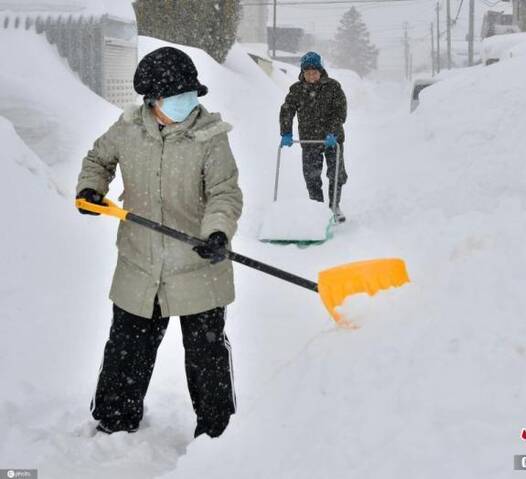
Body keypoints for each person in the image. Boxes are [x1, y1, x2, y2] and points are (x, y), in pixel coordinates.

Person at [75, 47, 243, 439]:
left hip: (197, 263)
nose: (189, 102)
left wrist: (217, 233)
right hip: (140, 262)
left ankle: (218, 434)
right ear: (152, 100)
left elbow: (224, 193)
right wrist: (91, 189)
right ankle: (115, 419)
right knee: (126, 348)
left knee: (207, 356)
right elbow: (97, 160)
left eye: (191, 94)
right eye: (177, 96)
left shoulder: (210, 138)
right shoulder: (128, 129)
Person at [279, 51, 348, 223]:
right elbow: (287, 110)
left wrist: (332, 131)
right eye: (308, 73)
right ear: (303, 73)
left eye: (314, 72)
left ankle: (334, 206)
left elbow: (340, 112)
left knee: (336, 174)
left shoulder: (333, 87)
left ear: (320, 71)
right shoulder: (297, 90)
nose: (311, 76)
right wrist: (286, 132)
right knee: (311, 176)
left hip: (332, 139)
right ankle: (317, 209)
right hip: (309, 140)